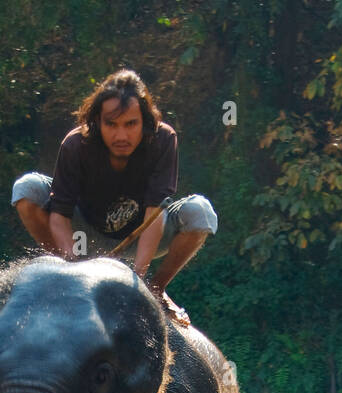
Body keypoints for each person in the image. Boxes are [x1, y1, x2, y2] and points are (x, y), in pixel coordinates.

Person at [11, 69, 217, 315]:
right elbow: (60, 214)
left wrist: (137, 281)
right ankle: (67, 280)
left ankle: (155, 290)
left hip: (144, 232)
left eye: (131, 124)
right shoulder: (76, 145)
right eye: (111, 124)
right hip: (85, 232)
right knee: (25, 188)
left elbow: (155, 213)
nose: (121, 135)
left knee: (201, 213)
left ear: (145, 121)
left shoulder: (163, 140)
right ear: (97, 122)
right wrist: (73, 273)